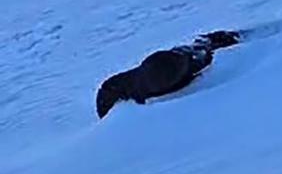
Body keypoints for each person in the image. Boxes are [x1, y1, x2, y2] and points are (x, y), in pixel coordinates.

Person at [95, 30, 240, 119]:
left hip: (157, 75)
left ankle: (205, 48)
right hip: (160, 73)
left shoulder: (134, 84)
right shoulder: (148, 78)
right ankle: (209, 46)